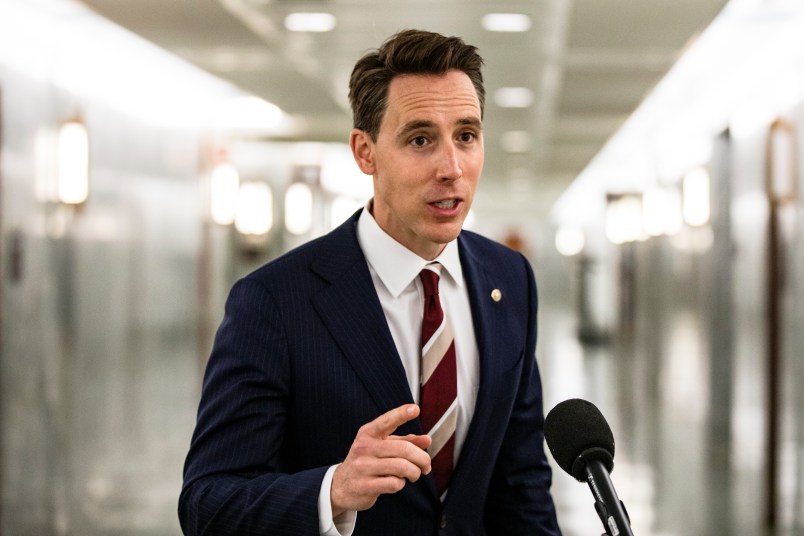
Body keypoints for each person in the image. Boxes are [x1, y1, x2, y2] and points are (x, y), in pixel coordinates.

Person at [179, 29, 562, 535]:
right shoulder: (274, 302)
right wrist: (332, 490)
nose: (451, 168)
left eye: (466, 136)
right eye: (420, 139)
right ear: (366, 152)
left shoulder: (509, 280)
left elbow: (522, 486)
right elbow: (209, 503)